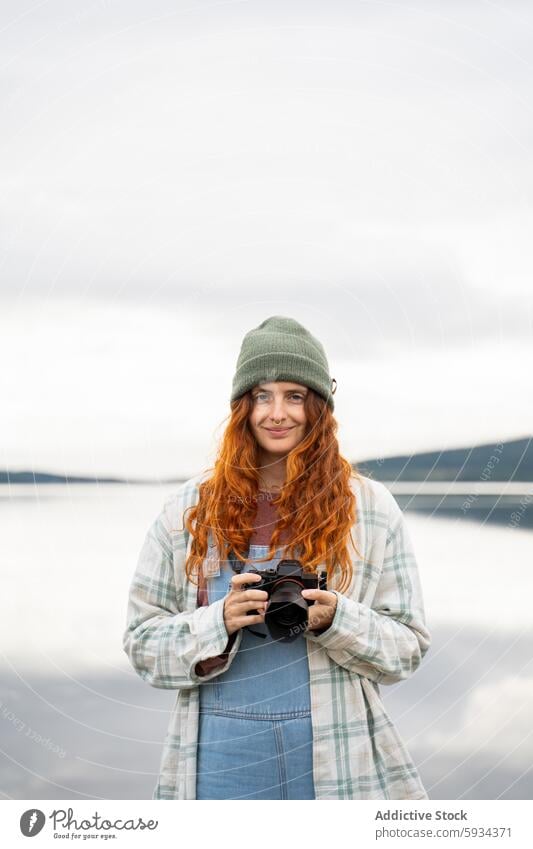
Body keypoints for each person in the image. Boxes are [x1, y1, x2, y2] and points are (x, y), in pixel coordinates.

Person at [122, 315, 431, 800]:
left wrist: (336, 620)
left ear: (319, 406)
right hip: (218, 755)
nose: (277, 413)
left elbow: (407, 648)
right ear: (242, 408)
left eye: (294, 395)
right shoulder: (189, 511)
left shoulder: (370, 510)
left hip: (333, 753)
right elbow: (142, 644)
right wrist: (217, 622)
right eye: (262, 395)